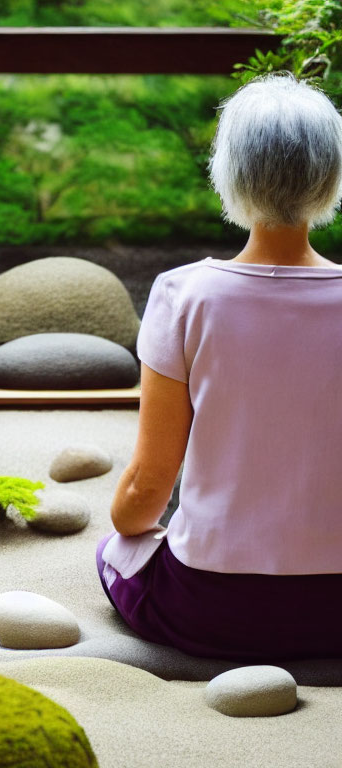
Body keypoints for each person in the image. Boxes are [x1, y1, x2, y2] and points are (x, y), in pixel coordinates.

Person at [96, 72, 342, 661]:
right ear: (329, 175)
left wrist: (123, 527)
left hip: (208, 606)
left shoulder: (184, 294)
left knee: (113, 549)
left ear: (229, 172)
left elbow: (148, 487)